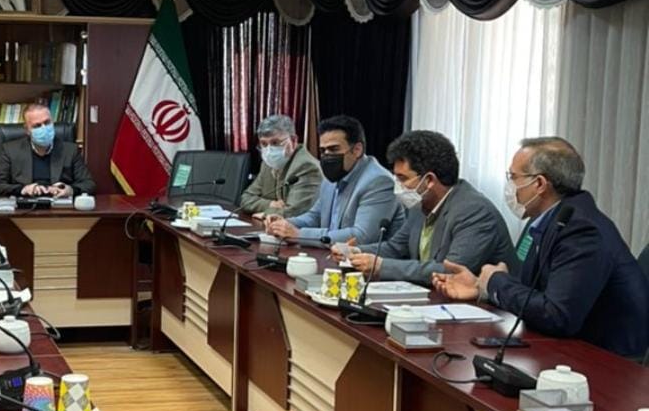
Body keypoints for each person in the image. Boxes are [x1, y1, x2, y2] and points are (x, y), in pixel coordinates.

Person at [433, 137, 649, 358]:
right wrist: (483, 287)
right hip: (569, 348)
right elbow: (535, 294)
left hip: (611, 361)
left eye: (513, 177)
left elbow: (557, 315)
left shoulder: (581, 229)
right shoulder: (550, 220)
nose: (510, 186)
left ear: (539, 184)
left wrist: (496, 282)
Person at [333, 130, 515, 286]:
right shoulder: (420, 204)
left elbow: (450, 271)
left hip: (486, 309)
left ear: (429, 180)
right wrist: (357, 253)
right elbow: (396, 248)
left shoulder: (474, 212)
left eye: (402, 178)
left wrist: (381, 266)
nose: (397, 186)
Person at [265, 115, 402, 243]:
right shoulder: (333, 175)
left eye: (334, 149)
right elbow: (315, 216)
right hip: (332, 253)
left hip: (365, 258)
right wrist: (285, 223)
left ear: (357, 150)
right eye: (323, 151)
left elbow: (362, 236)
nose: (327, 156)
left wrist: (300, 234)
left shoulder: (378, 181)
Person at [0, 103, 95, 198]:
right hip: (25, 206)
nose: (44, 128)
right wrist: (22, 189)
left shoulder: (70, 150)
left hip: (59, 206)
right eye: (37, 126)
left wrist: (70, 190)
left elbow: (89, 184)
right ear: (27, 130)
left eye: (47, 122)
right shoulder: (10, 150)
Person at [238, 114, 320, 217]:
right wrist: (270, 204)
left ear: (293, 141)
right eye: (264, 144)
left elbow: (294, 212)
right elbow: (245, 199)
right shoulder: (267, 164)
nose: (269, 150)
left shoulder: (306, 166)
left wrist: (264, 214)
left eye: (275, 143)